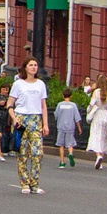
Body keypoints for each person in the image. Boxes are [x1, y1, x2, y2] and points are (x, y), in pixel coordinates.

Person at [10, 58, 50, 195]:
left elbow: (43, 105)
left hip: (35, 118)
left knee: (37, 153)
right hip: (21, 118)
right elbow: (10, 105)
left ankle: (35, 183)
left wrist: (45, 124)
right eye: (31, 65)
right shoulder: (18, 84)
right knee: (22, 153)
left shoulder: (40, 84)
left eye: (35, 65)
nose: (33, 67)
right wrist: (14, 118)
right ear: (25, 68)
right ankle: (25, 182)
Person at [86, 78, 107, 170]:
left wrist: (89, 110)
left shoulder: (96, 92)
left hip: (98, 114)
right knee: (103, 137)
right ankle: (101, 160)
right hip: (105, 115)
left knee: (95, 136)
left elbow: (92, 104)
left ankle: (98, 155)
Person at [54, 89, 82, 168]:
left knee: (61, 145)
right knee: (70, 143)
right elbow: (77, 117)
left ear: (63, 96)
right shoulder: (73, 105)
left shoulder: (60, 105)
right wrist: (79, 127)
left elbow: (56, 115)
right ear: (71, 96)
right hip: (70, 126)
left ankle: (62, 162)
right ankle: (70, 153)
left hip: (61, 126)